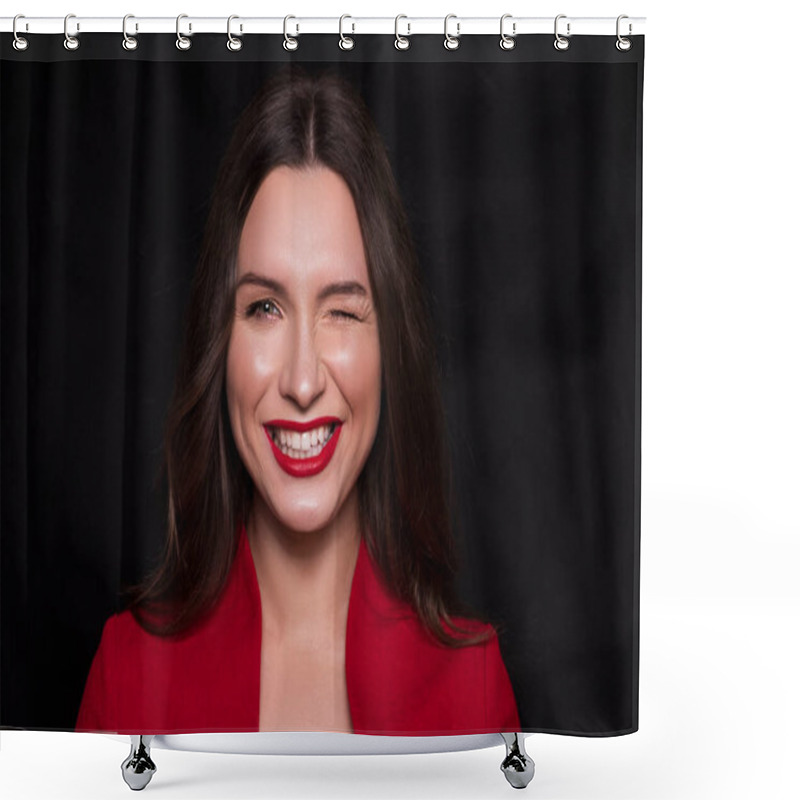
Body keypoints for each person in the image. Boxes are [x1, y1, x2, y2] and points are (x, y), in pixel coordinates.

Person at [76, 68, 520, 735]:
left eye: (343, 311)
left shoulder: (473, 686)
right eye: (264, 307)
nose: (303, 380)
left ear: (390, 348)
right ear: (218, 343)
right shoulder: (126, 672)